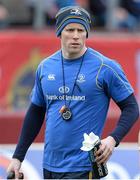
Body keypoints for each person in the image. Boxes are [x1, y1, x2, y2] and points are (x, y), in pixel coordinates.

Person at [7, 6, 139, 179]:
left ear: (87, 33)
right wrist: (18, 157)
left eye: (81, 30)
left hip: (85, 167)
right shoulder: (45, 67)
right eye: (70, 30)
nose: (76, 35)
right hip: (50, 165)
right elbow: (35, 113)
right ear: (60, 32)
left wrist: (112, 139)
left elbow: (131, 108)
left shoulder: (105, 67)